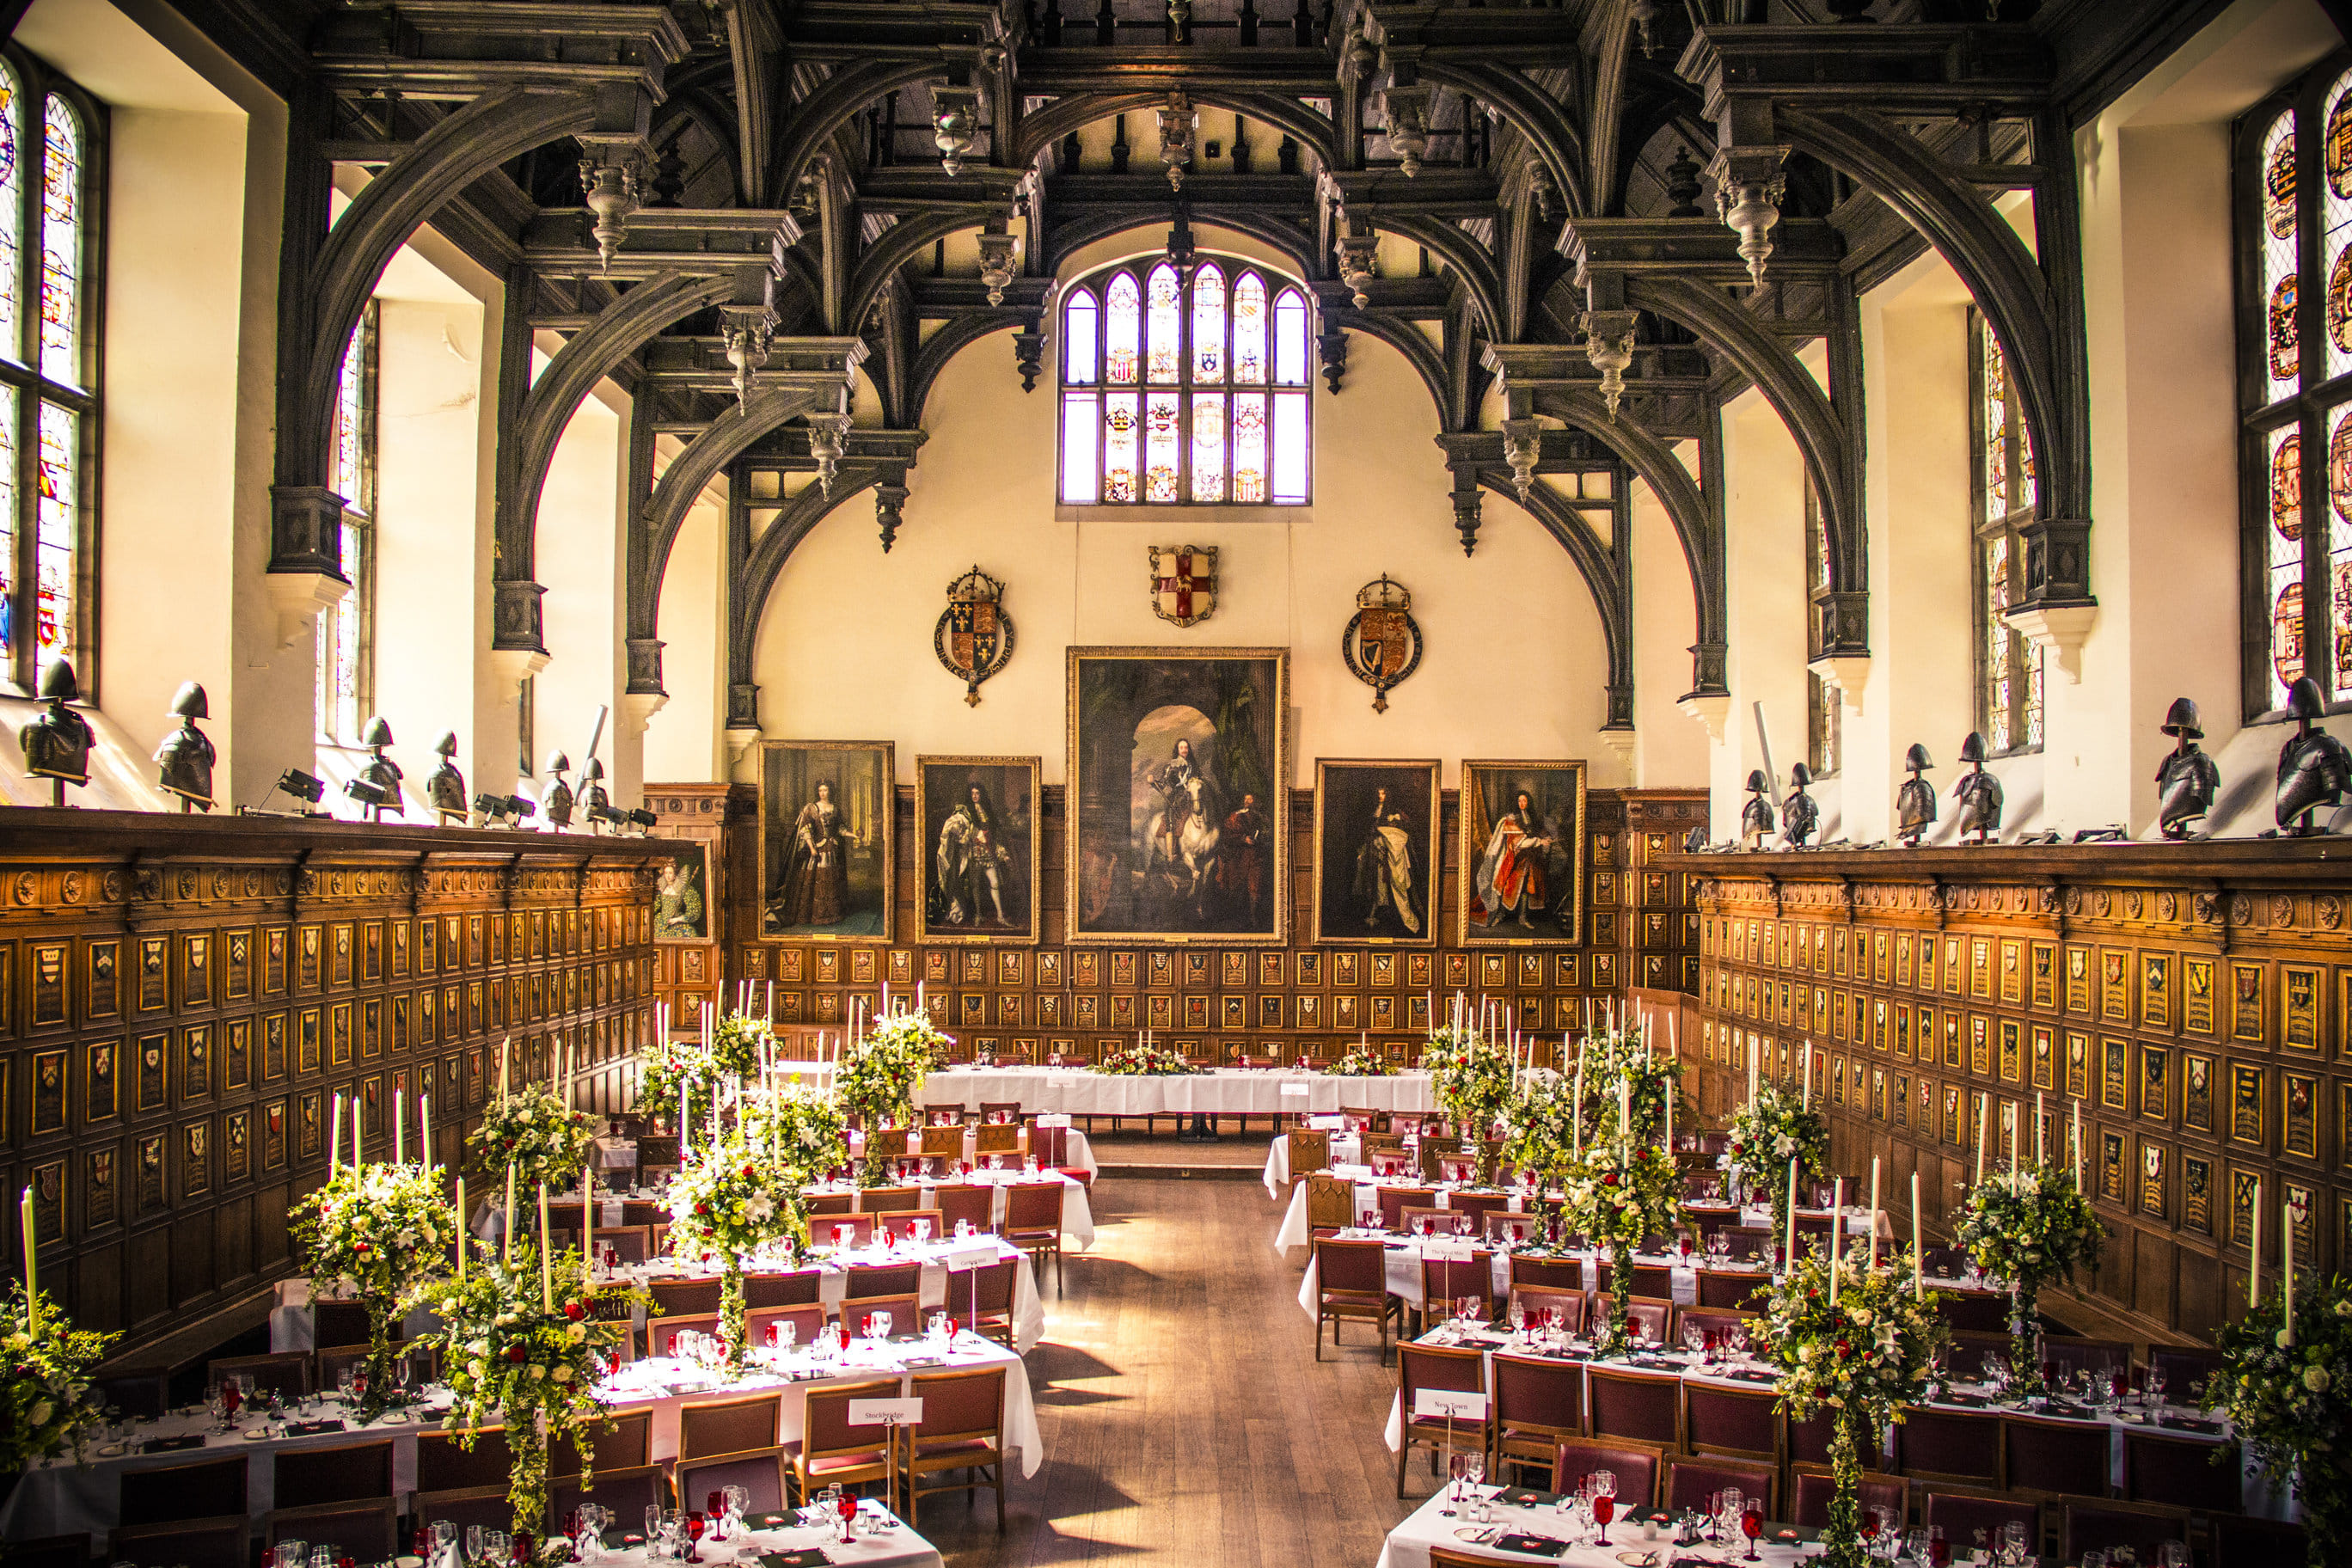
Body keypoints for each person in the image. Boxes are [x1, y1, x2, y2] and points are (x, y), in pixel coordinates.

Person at [773, 781, 852, 928]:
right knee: (815, 881)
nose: (823, 793)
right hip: (817, 849)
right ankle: (814, 915)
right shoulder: (811, 808)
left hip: (832, 850)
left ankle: (831, 914)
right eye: (820, 790)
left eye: (826, 790)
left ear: (830, 791)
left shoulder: (836, 809)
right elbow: (806, 830)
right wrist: (812, 849)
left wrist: (855, 836)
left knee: (831, 881)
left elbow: (840, 829)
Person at [1472, 789, 1554, 929]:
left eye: (1525, 801)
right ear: (1516, 802)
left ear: (1528, 803)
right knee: (1507, 885)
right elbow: (1518, 843)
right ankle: (1500, 915)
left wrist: (1545, 839)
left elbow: (1539, 832)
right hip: (1514, 860)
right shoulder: (1511, 819)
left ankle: (1523, 918)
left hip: (1529, 860)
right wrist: (1538, 842)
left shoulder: (1531, 818)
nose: (1522, 803)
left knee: (1526, 889)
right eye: (1520, 801)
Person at [936, 781, 1014, 927]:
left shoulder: (987, 810)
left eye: (977, 793)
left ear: (981, 794)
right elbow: (960, 830)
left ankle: (999, 916)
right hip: (974, 852)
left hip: (989, 851)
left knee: (995, 883)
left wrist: (1002, 853)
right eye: (972, 793)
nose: (975, 796)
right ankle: (979, 915)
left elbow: (993, 834)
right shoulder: (966, 812)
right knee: (975, 885)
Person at [1351, 785, 1420, 934]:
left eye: (1383, 793)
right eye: (1378, 793)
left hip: (1391, 852)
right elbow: (1370, 833)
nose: (1380, 796)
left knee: (1395, 882)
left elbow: (1400, 833)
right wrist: (1364, 850)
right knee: (1376, 884)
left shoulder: (1395, 812)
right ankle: (1374, 914)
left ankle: (1397, 918)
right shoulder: (1375, 811)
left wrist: (1387, 837)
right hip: (1375, 854)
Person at [1151, 738, 1205, 863]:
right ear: (1177, 750)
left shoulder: (1194, 766)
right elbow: (1163, 784)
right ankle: (1171, 854)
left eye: (1186, 748)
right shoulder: (1171, 766)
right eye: (1182, 748)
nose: (1184, 750)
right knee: (1171, 822)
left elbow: (1200, 780)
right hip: (1176, 798)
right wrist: (1154, 782)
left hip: (1192, 797)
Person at [1219, 792, 1268, 921]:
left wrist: (1259, 839)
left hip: (1256, 857)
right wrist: (1243, 839)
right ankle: (1235, 918)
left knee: (1255, 889)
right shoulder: (1234, 817)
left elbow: (1266, 834)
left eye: (1250, 799)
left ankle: (1254, 919)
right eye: (1246, 799)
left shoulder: (1260, 818)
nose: (1248, 801)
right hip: (1239, 857)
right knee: (1236, 887)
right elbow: (1226, 837)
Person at [654, 854, 704, 940]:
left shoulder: (684, 889)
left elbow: (694, 911)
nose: (668, 876)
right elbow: (655, 905)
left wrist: (677, 919)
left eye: (670, 873)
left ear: (675, 874)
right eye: (666, 873)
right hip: (660, 922)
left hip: (676, 922)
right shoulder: (661, 889)